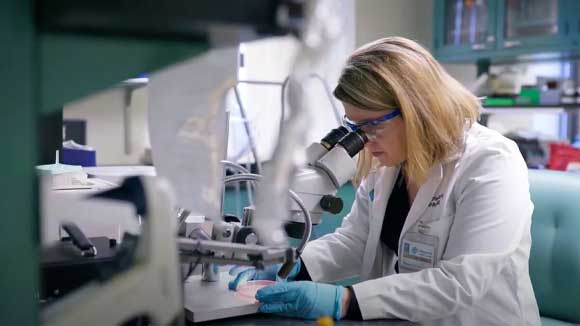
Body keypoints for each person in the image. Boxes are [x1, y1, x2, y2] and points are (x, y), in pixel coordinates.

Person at [229, 37, 540, 325]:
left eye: (372, 125)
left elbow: (460, 281)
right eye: (355, 126)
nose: (364, 140)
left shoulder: (492, 162)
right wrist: (295, 265)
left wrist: (347, 300)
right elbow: (355, 241)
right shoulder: (389, 163)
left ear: (417, 110)